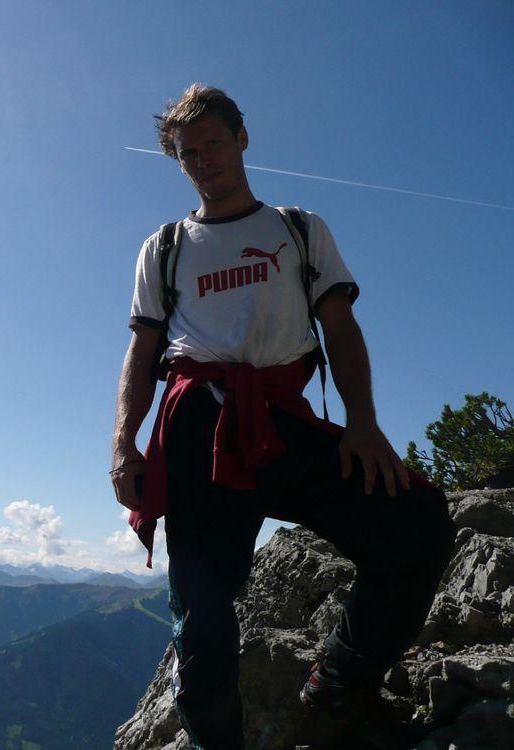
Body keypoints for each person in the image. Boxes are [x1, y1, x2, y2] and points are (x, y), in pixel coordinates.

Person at [109, 84, 456, 750]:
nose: (204, 159)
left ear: (242, 139)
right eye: (189, 153)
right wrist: (125, 443)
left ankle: (342, 678)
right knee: (201, 614)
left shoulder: (299, 230)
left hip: (282, 423)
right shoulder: (166, 247)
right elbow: (143, 349)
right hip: (198, 433)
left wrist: (363, 423)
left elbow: (340, 327)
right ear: (180, 164)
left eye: (214, 143)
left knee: (416, 523)